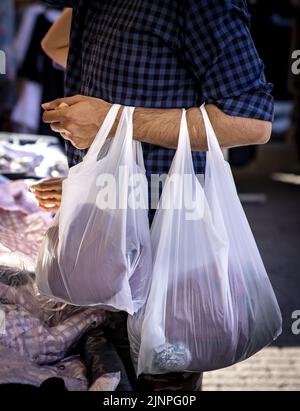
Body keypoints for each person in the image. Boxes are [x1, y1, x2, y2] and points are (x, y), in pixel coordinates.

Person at [34, 0, 275, 391]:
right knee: (108, 372)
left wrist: (113, 120)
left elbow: (250, 122)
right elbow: (53, 45)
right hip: (105, 248)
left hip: (169, 248)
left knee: (161, 384)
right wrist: (89, 183)